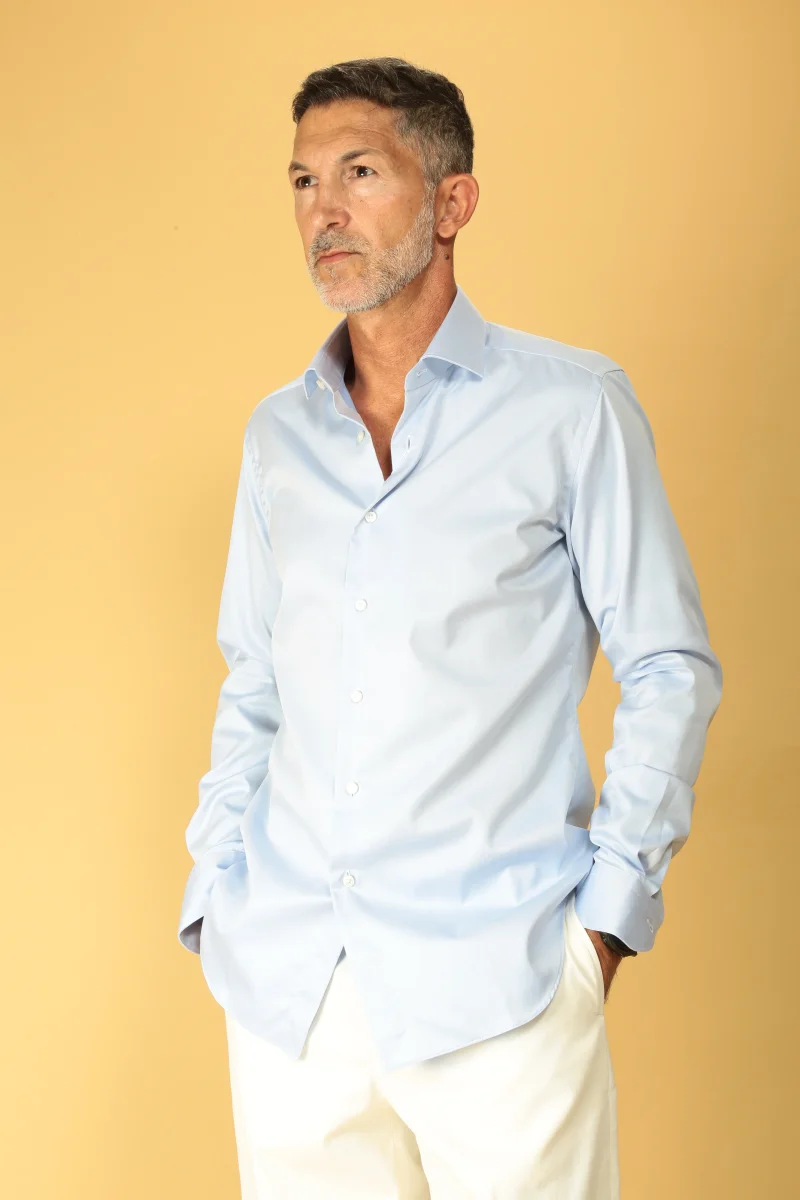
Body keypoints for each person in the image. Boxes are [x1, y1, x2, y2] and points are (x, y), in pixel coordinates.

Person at [177, 56, 723, 1199]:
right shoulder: (277, 438)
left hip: (500, 983)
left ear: (451, 201)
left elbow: (667, 664)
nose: (323, 211)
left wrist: (603, 928)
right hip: (291, 987)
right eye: (302, 181)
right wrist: (215, 893)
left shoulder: (570, 409)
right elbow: (254, 680)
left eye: (359, 173)